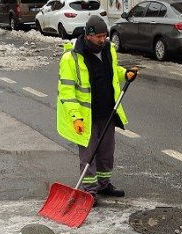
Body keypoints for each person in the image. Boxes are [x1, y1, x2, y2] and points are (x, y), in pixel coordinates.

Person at [56, 15, 138, 207]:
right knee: (88, 156)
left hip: (108, 112)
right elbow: (66, 92)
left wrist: (124, 73)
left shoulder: (108, 49)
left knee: (106, 153)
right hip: (85, 117)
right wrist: (75, 118)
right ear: (88, 35)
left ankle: (103, 185)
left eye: (105, 35)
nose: (103, 39)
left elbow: (110, 70)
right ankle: (90, 192)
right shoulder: (71, 58)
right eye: (99, 36)